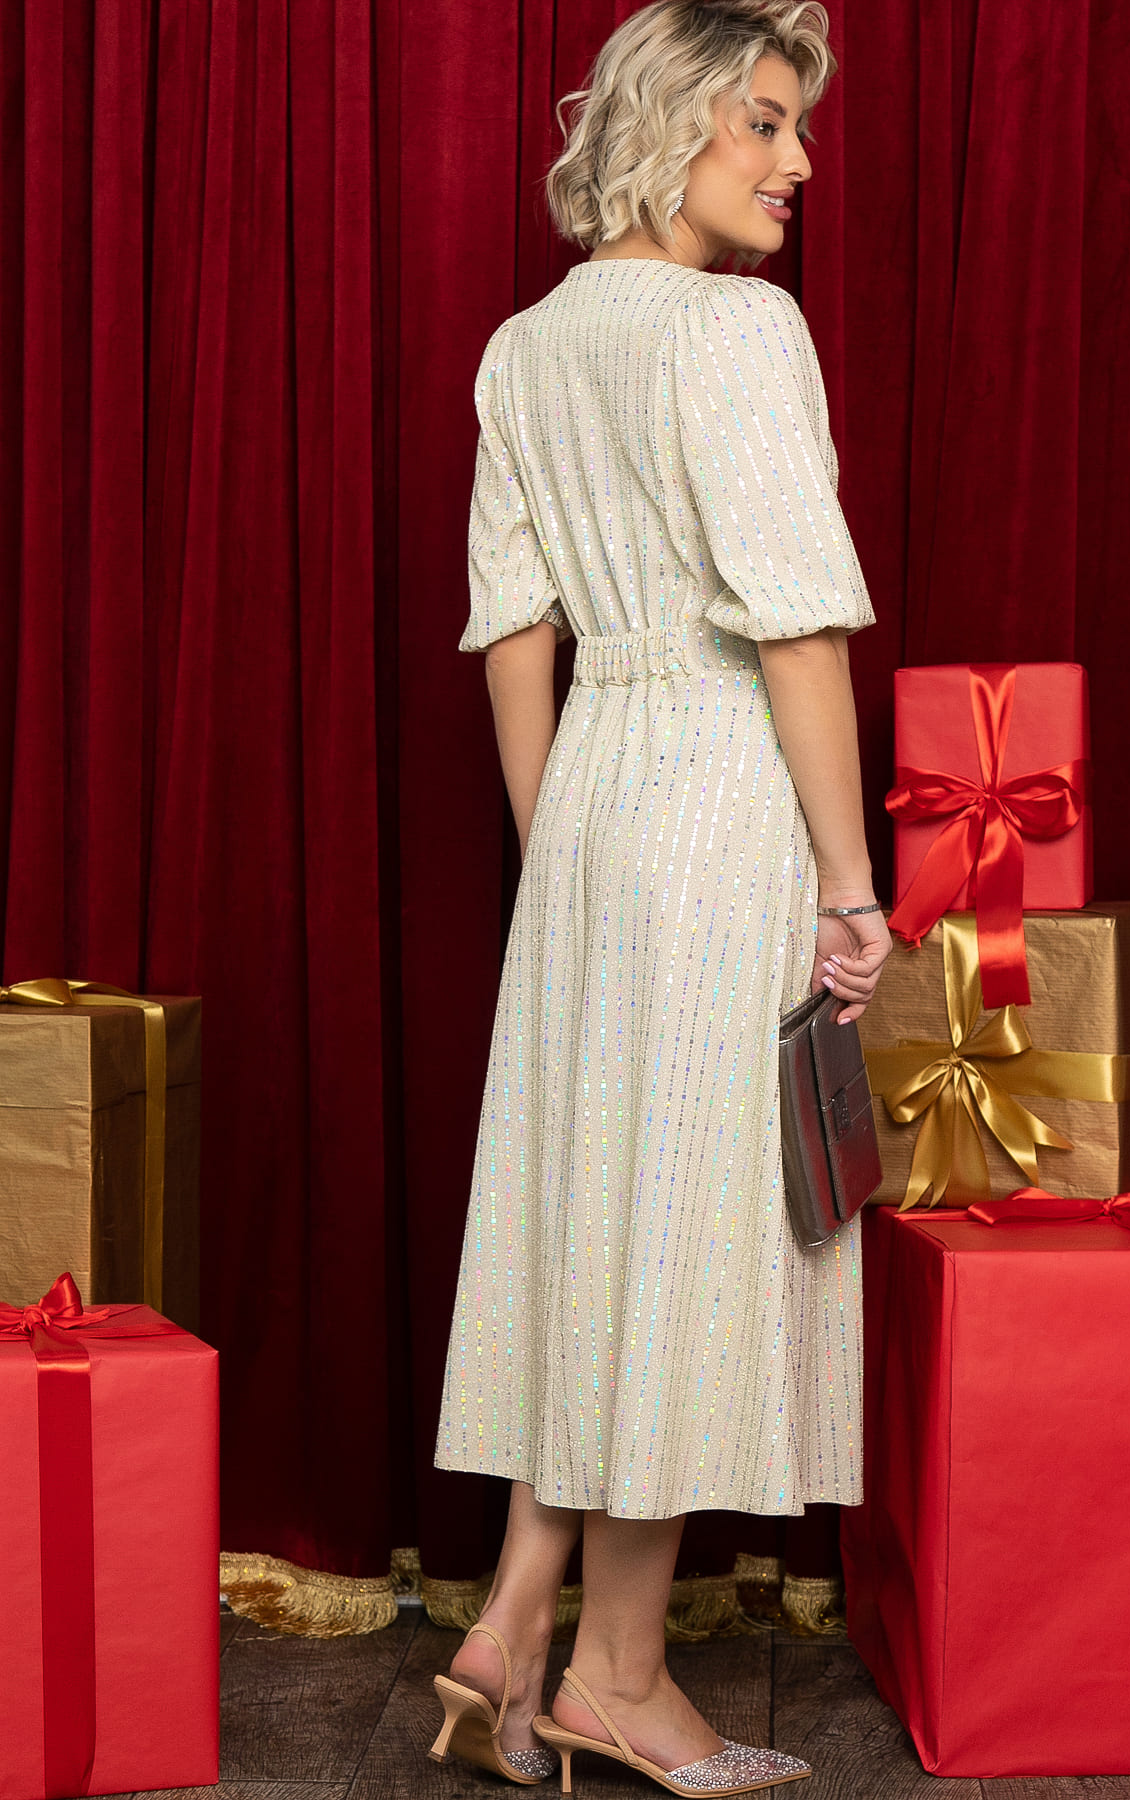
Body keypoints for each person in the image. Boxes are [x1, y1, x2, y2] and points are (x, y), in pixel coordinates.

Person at [428, 2, 892, 1790]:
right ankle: (618, 1675)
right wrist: (847, 885)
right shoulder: (735, 328)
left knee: (604, 1211)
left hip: (592, 803)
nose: (796, 162)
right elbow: (798, 626)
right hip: (719, 790)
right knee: (690, 1233)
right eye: (764, 121)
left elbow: (511, 635)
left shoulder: (523, 348)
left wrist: (562, 854)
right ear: (669, 122)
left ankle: (517, 1616)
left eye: (798, 128)